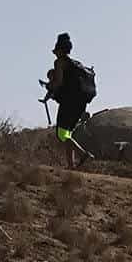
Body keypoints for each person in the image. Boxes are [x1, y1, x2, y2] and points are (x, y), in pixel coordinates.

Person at [40, 33, 91, 167]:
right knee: (67, 133)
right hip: (80, 103)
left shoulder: (60, 62)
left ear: (60, 50)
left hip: (69, 103)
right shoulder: (76, 64)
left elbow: (58, 83)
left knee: (61, 135)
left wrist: (49, 86)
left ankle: (83, 154)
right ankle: (71, 165)